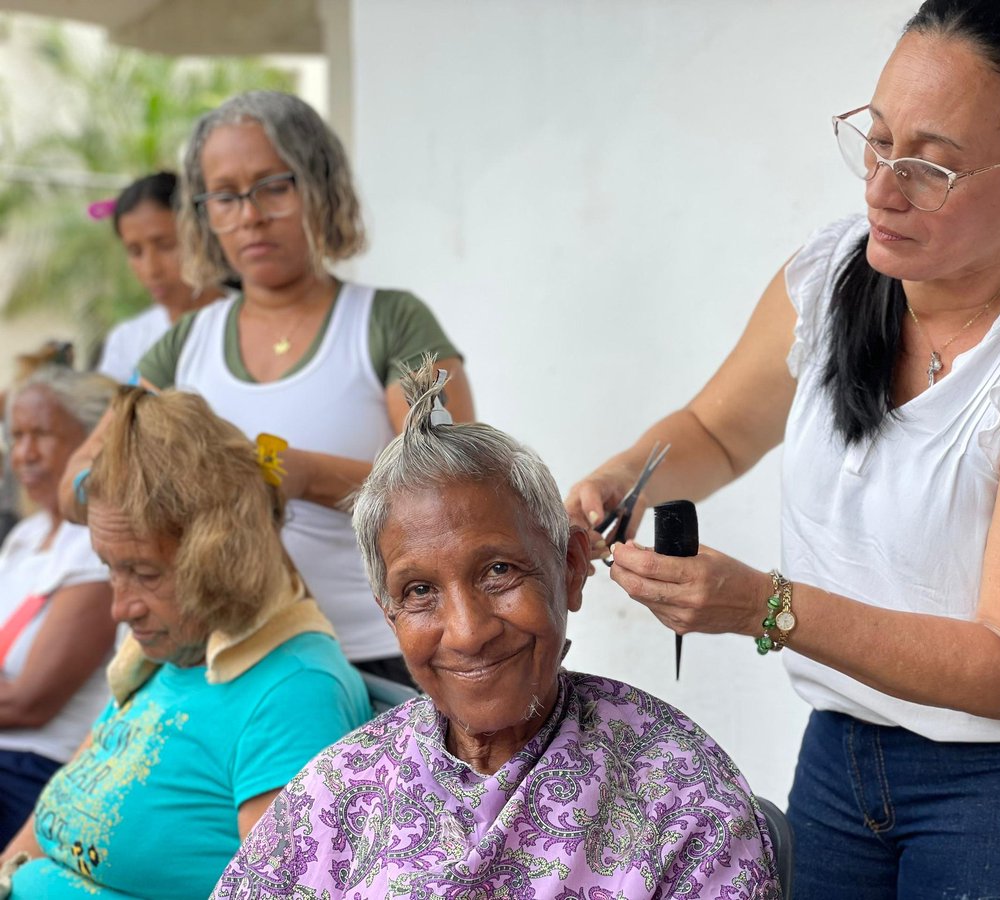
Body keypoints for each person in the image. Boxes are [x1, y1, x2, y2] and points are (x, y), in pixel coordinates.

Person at [566, 1, 1000, 897]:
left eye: (931, 166)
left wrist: (762, 607)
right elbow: (714, 430)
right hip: (845, 760)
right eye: (875, 138)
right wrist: (618, 478)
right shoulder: (835, 278)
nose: (881, 189)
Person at [211, 362, 780, 899]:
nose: (466, 632)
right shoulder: (339, 792)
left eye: (499, 571)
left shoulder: (680, 798)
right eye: (419, 592)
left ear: (572, 569)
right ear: (389, 613)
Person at [107, 90, 474, 683]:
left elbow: (454, 487)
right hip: (224, 661)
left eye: (273, 187)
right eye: (224, 196)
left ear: (320, 188)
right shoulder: (181, 346)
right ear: (205, 213)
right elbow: (89, 481)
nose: (249, 215)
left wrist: (286, 468)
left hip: (376, 656)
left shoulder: (390, 322)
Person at [2, 387, 372, 898]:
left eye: (144, 573)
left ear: (219, 559)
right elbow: (37, 838)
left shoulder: (294, 693)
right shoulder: (163, 655)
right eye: (111, 569)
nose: (120, 607)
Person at [0, 365, 116, 845]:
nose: (24, 453)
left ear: (91, 440)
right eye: (16, 435)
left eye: (42, 434)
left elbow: (29, 702)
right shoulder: (26, 537)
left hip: (34, 772)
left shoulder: (97, 540)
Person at [95, 172, 225, 384]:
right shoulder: (127, 340)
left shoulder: (245, 322)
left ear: (200, 236)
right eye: (135, 252)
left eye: (166, 246)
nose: (151, 269)